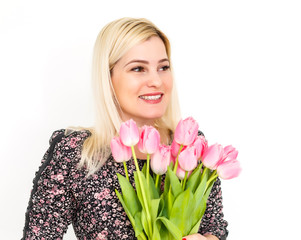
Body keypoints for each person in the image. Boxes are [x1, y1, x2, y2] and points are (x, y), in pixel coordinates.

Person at [22, 17, 228, 240]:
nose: (157, 81)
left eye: (163, 67)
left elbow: (213, 226)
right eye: (138, 68)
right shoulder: (76, 152)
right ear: (108, 78)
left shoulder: (188, 145)